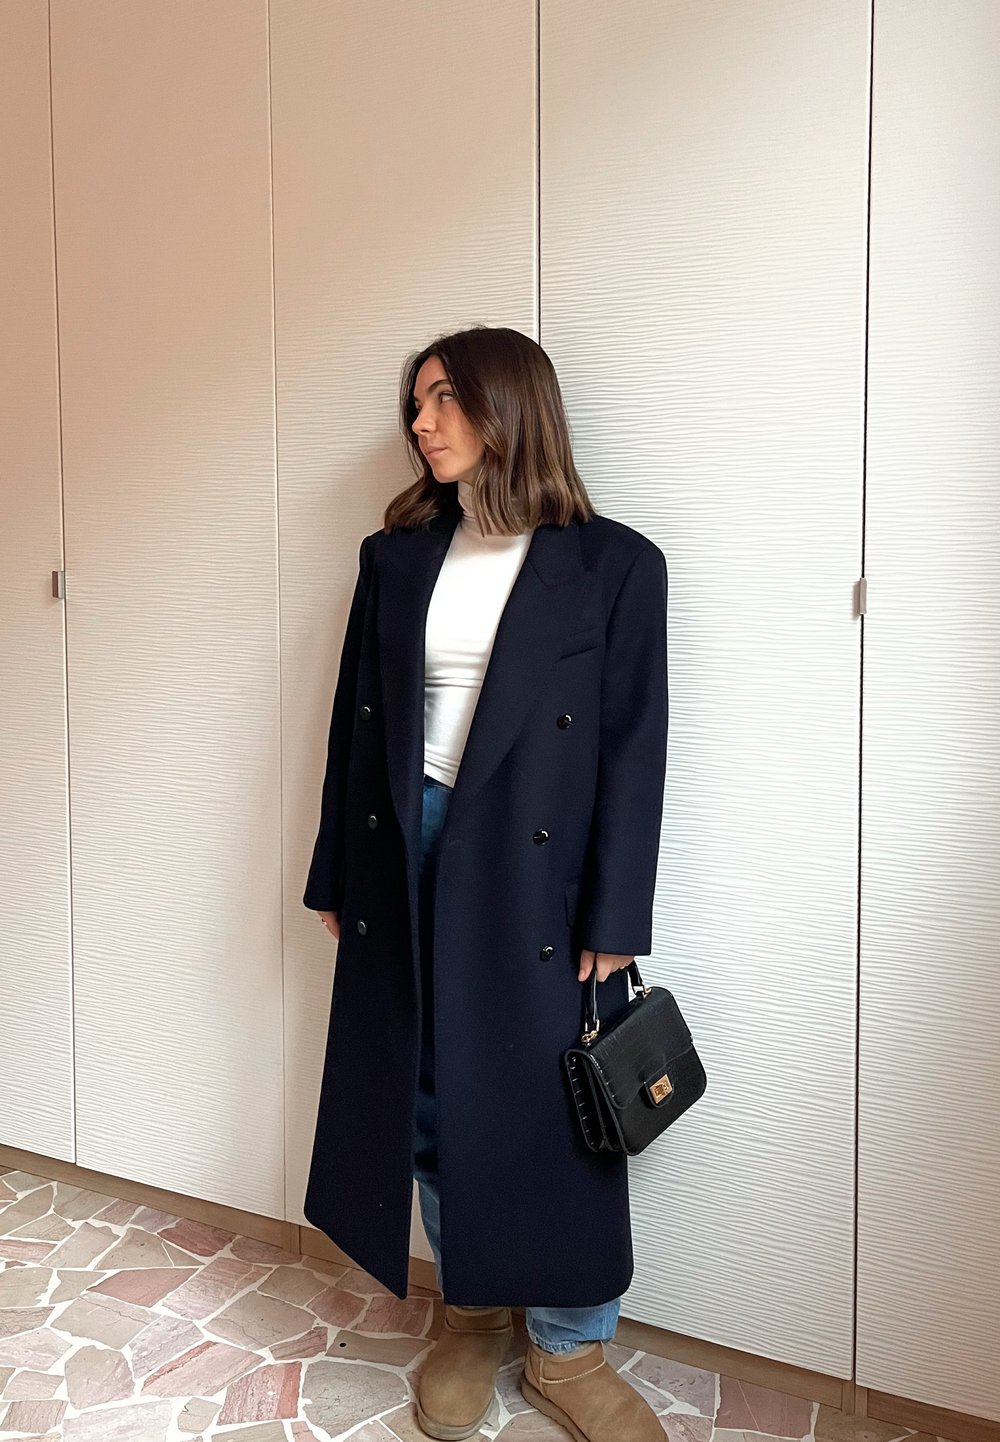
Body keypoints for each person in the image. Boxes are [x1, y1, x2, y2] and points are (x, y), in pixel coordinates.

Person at [305, 325, 668, 1441]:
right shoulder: (397, 555)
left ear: (512, 407)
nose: (420, 423)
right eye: (416, 402)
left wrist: (615, 911)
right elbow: (357, 729)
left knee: (551, 1102)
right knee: (425, 1087)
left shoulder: (614, 564)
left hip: (534, 860)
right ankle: (468, 1312)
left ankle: (570, 1343)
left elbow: (632, 746)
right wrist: (337, 869)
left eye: (444, 399)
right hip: (407, 836)